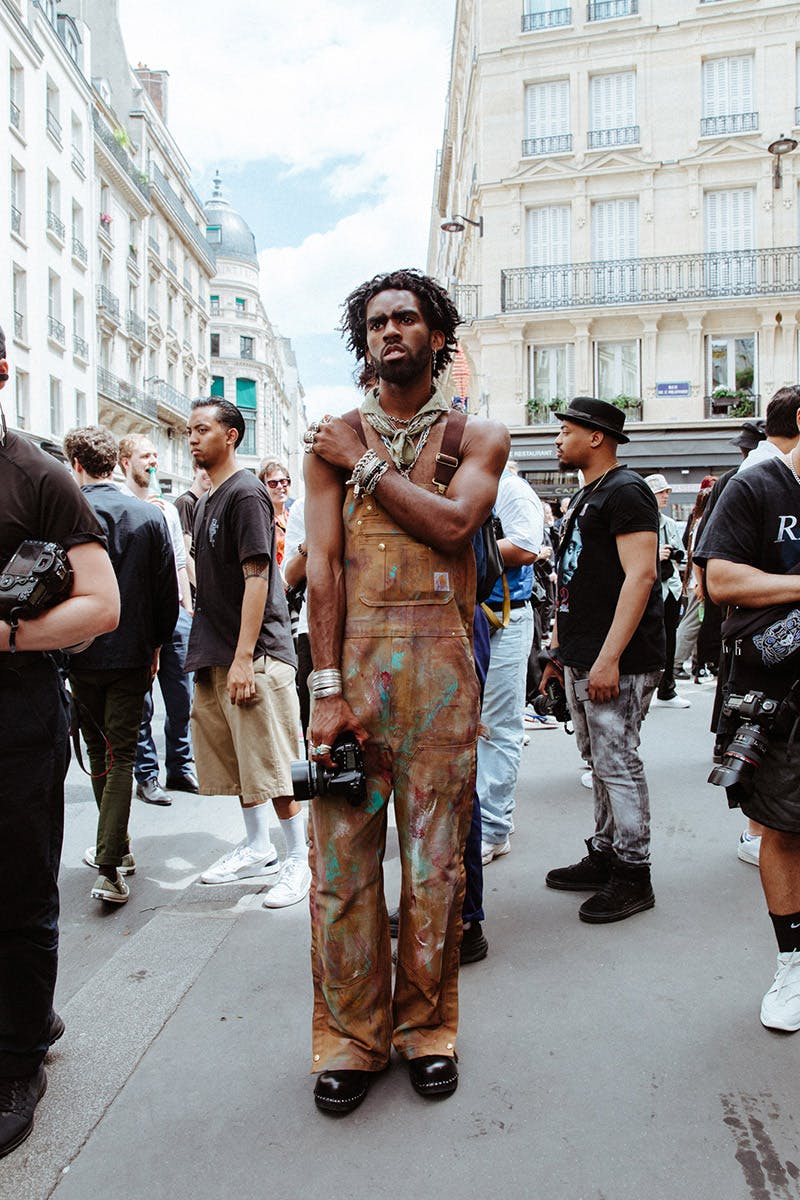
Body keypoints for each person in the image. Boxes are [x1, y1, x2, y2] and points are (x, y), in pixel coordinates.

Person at [303, 268, 508, 1115]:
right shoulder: (331, 439)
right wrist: (323, 688)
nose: (392, 331)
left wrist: (365, 468)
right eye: (378, 321)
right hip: (352, 680)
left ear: (435, 334)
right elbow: (322, 569)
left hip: (441, 682)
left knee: (434, 874)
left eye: (407, 319)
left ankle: (427, 1031)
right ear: (365, 340)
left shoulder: (479, 436)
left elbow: (457, 527)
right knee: (340, 875)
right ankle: (352, 1040)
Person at [0, 321, 119, 1158]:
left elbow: (100, 606)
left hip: (15, 722)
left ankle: (17, 1063)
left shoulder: (37, 477)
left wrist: (1, 638)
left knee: (18, 894)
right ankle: (27, 1011)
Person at [694, 407, 800, 1032]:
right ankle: (793, 963)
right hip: (780, 694)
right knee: (783, 831)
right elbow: (721, 580)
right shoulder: (757, 484)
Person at [542, 397, 664, 924]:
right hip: (583, 654)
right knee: (598, 761)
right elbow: (572, 579)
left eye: (565, 431)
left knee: (617, 761)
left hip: (620, 658)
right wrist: (559, 651)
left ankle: (634, 874)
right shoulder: (588, 495)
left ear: (595, 437)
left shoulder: (627, 490)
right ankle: (607, 854)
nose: (557, 440)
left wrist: (609, 658)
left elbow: (641, 576)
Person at [185, 398, 310, 908]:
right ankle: (258, 847)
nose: (192, 438)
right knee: (242, 763)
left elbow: (258, 578)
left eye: (201, 429)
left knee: (275, 764)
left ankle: (298, 859)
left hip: (254, 653)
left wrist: (243, 656)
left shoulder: (246, 493)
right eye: (189, 430)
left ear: (231, 435)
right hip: (217, 650)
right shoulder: (208, 496)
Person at [65, 427, 178, 905]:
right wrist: (154, 646)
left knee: (99, 751)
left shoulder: (64, 515)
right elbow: (165, 594)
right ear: (113, 463)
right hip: (130, 652)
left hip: (78, 650)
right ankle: (112, 860)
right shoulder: (146, 516)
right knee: (123, 753)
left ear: (76, 465)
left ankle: (115, 854)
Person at [118, 434, 196, 806]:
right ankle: (146, 774)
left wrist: (187, 606)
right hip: (136, 618)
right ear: (124, 462)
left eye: (154, 455)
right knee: (142, 702)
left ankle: (180, 766)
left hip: (175, 615)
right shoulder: (120, 506)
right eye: (144, 455)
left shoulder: (167, 509)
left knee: (183, 697)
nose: (152, 461)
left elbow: (180, 561)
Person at [478, 464, 543, 863]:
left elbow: (526, 546)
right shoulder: (479, 486)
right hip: (480, 618)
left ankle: (493, 827)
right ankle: (491, 816)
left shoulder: (511, 491)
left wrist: (463, 541)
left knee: (499, 726)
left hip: (506, 617)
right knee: (481, 724)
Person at [644, 473, 691, 710]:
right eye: (661, 492)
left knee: (670, 637)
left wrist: (671, 553)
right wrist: (654, 555)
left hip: (669, 587)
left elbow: (681, 554)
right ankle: (647, 687)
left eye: (666, 492)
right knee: (649, 638)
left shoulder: (669, 523)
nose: (666, 496)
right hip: (649, 587)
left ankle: (667, 688)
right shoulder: (640, 522)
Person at [174, 464, 211, 602]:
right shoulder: (186, 503)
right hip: (194, 594)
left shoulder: (207, 504)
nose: (208, 473)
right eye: (204, 468)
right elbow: (184, 554)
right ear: (194, 470)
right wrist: (206, 591)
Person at [257, 460, 292, 569]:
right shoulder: (261, 522)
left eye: (283, 481)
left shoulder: (293, 516)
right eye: (273, 483)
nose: (280, 487)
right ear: (263, 488)